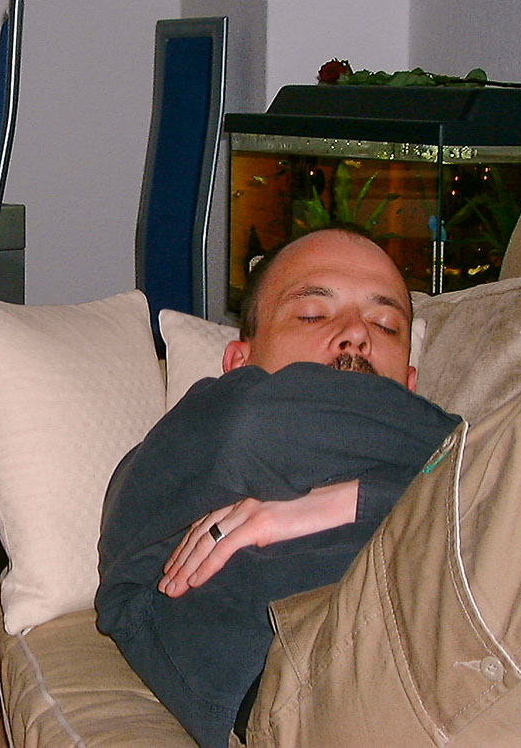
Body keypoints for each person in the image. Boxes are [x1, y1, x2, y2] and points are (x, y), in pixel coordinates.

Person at [96, 224, 462, 748]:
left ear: (409, 386)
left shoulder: (444, 464)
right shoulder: (200, 432)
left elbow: (508, 503)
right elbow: (259, 426)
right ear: (237, 363)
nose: (356, 333)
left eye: (385, 326)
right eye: (312, 314)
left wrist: (349, 503)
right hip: (336, 690)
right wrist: (440, 464)